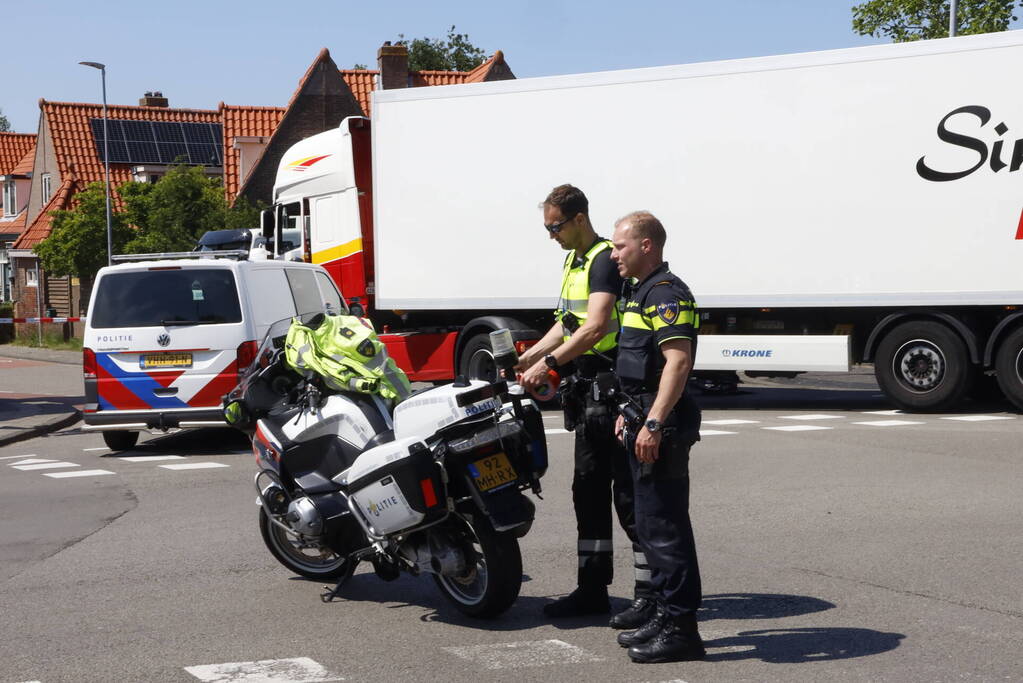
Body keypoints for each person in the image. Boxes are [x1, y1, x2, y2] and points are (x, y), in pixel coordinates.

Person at [516, 185, 654, 627]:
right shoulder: (573, 260)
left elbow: (595, 328)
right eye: (547, 227)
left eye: (556, 226)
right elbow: (567, 321)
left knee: (628, 499)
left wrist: (550, 362)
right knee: (588, 491)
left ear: (579, 219)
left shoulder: (601, 259)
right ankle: (592, 590)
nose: (551, 235)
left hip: (613, 393)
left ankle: (649, 596)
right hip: (588, 394)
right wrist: (530, 357)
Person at [609, 210, 705, 663]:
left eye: (620, 246)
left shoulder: (666, 294)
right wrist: (630, 413)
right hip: (641, 416)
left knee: (665, 527)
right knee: (649, 523)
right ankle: (664, 614)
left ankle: (682, 629)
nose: (614, 254)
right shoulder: (640, 291)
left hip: (660, 425)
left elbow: (677, 362)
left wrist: (652, 422)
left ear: (647, 245)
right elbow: (637, 366)